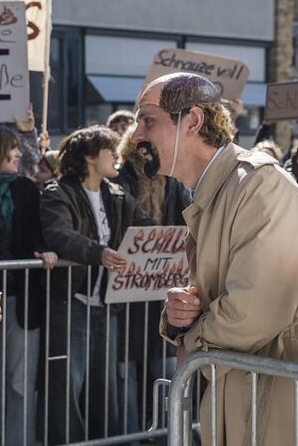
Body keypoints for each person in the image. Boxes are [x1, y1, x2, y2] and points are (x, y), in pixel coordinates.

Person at [130, 73, 298, 445]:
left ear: (192, 121)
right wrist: (179, 316)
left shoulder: (258, 185)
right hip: (242, 394)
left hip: (273, 402)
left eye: (148, 121)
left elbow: (255, 311)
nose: (137, 135)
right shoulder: (218, 191)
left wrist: (191, 342)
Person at [38, 125, 154, 444]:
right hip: (71, 304)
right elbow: (59, 234)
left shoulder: (116, 194)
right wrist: (98, 252)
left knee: (105, 389)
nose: (116, 156)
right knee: (67, 386)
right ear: (90, 157)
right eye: (109, 150)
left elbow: (146, 227)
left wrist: (172, 240)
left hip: (106, 305)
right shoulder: (57, 192)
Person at [0, 126, 56, 446]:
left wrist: (46, 251)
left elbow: (38, 234)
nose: (19, 153)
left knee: (21, 382)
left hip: (23, 298)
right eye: (12, 147)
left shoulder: (26, 189)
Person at [112, 123, 192, 436]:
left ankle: (169, 433)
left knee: (166, 365)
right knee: (127, 365)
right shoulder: (120, 179)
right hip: (128, 289)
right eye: (142, 147)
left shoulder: (172, 180)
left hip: (162, 286)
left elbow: (188, 214)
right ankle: (131, 435)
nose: (146, 153)